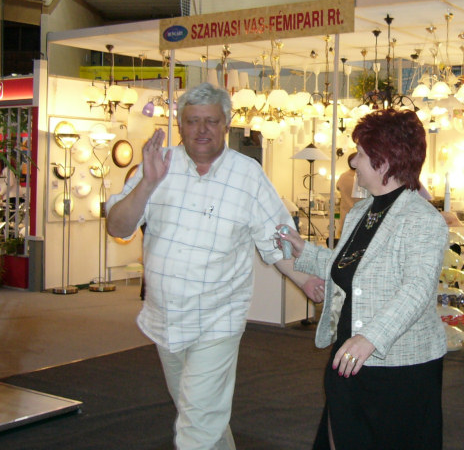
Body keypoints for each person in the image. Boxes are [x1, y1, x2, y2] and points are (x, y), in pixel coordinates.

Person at [105, 83, 324, 450]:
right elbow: (117, 226)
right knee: (198, 412)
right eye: (193, 121)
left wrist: (305, 280)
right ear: (180, 124)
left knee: (198, 422)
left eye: (211, 121)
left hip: (217, 319)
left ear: (227, 123)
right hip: (165, 317)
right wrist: (147, 183)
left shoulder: (247, 174)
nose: (202, 129)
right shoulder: (157, 166)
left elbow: (278, 238)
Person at [278, 108, 449, 450]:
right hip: (350, 355)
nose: (354, 162)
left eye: (361, 154)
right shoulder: (361, 211)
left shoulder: (422, 219)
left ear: (384, 162)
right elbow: (351, 267)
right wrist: (304, 250)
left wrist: (370, 338)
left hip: (400, 367)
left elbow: (417, 290)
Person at [335, 153, 361, 238]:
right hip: (360, 218)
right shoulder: (363, 177)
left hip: (345, 217)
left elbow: (338, 187)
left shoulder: (343, 176)